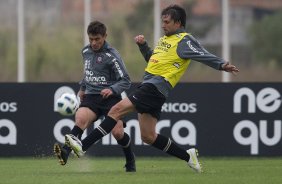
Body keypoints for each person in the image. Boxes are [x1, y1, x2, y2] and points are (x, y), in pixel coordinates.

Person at [64, 4, 239, 173]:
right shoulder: (165, 40)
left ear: (178, 23)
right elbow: (153, 61)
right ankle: (188, 156)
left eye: (166, 22)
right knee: (148, 136)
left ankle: (83, 146)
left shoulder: (184, 40)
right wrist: (143, 46)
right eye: (162, 21)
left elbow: (202, 54)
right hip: (150, 86)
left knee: (115, 110)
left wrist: (222, 64)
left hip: (155, 86)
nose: (163, 25)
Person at [53, 20, 136, 172]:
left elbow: (126, 80)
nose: (94, 42)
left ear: (105, 36)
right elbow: (88, 72)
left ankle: (130, 159)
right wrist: (83, 88)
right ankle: (65, 151)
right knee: (80, 118)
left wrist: (112, 89)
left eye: (97, 39)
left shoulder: (112, 55)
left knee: (118, 133)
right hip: (91, 96)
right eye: (91, 39)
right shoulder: (85, 52)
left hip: (111, 99)